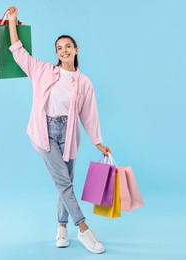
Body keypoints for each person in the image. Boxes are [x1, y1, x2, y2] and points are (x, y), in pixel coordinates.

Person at [7, 6, 111, 254]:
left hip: (69, 133)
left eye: (68, 46)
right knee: (63, 183)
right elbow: (18, 53)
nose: (63, 50)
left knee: (65, 183)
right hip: (45, 132)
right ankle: (84, 230)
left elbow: (89, 113)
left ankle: (61, 228)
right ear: (56, 53)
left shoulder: (83, 82)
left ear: (76, 50)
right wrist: (12, 21)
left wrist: (97, 141)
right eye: (59, 47)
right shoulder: (42, 70)